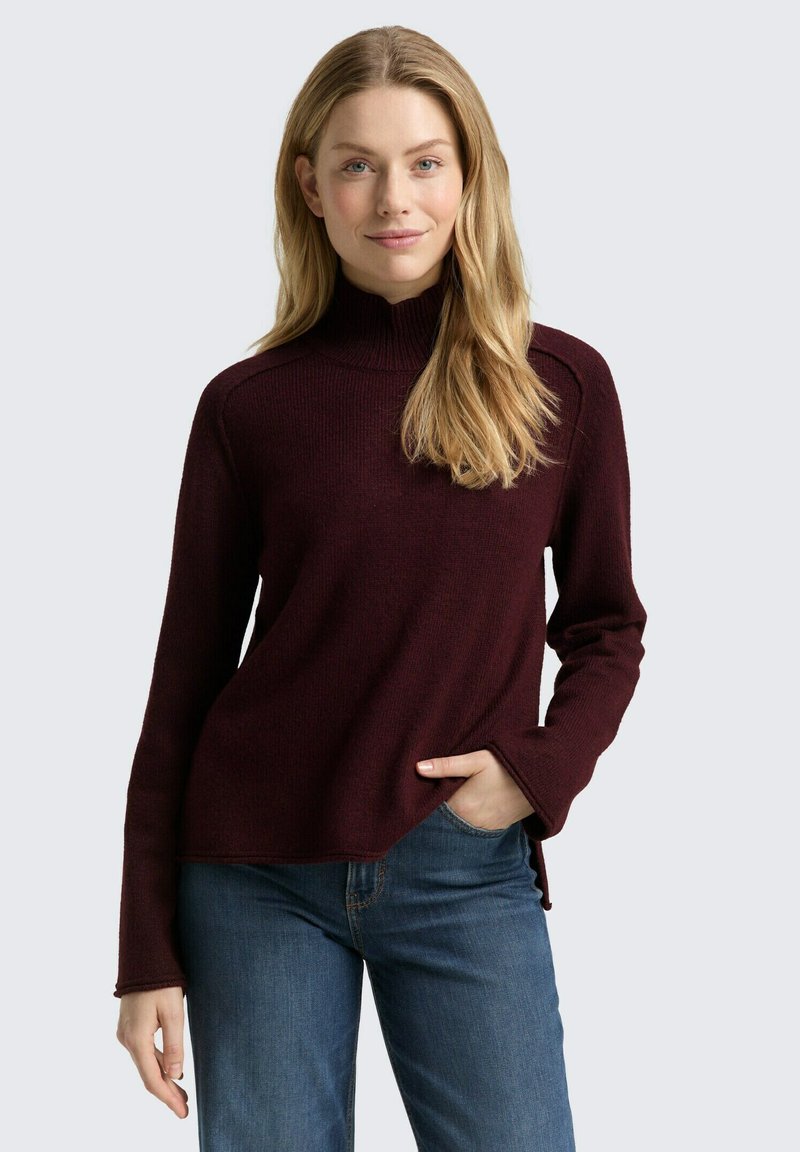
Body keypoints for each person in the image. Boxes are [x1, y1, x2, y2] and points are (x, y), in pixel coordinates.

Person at [114, 24, 647, 1152]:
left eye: (423, 162)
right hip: (254, 874)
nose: (393, 198)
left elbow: (606, 625)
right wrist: (144, 950)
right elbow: (185, 680)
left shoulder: (559, 384)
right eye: (356, 165)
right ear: (310, 187)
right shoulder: (247, 406)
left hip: (462, 865)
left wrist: (538, 771)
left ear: (468, 175)